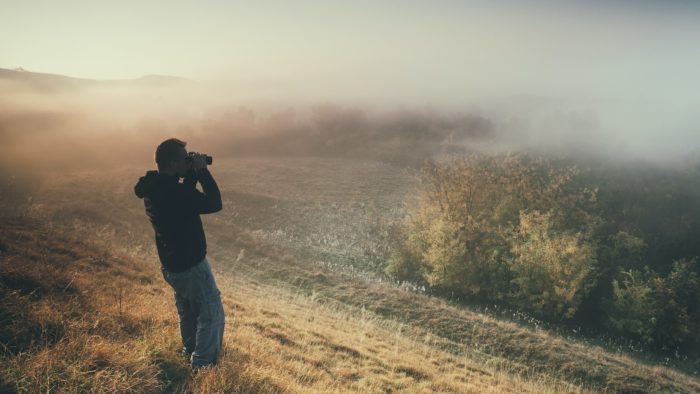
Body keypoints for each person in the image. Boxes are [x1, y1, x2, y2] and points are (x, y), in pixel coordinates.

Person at [134, 138, 225, 369]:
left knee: (188, 313)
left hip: (172, 265)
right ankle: (203, 367)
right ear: (174, 164)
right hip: (191, 266)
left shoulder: (153, 187)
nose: (188, 161)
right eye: (185, 159)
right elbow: (213, 203)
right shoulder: (174, 192)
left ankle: (189, 353)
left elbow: (181, 195)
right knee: (210, 314)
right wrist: (202, 171)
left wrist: (190, 172)